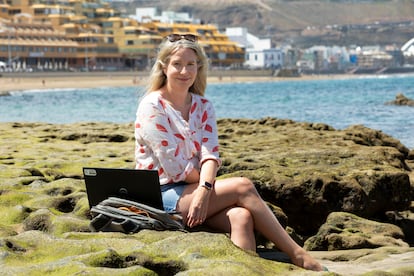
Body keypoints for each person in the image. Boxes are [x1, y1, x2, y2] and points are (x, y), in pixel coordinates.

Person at [134, 33, 324, 271]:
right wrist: (206, 188)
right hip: (159, 195)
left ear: (199, 67)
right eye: (177, 64)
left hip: (195, 190)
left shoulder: (203, 106)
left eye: (191, 64)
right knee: (242, 186)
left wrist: (204, 190)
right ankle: (298, 254)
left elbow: (210, 154)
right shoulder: (152, 106)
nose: (184, 71)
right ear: (164, 67)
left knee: (241, 217)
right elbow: (175, 167)